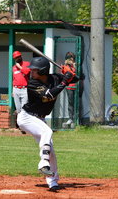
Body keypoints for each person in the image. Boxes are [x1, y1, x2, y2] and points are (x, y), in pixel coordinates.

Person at [17, 56, 77, 192]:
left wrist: (69, 72)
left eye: (34, 70)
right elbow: (49, 95)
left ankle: (53, 182)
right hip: (26, 117)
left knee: (51, 151)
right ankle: (43, 162)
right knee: (47, 132)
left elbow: (76, 79)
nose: (31, 72)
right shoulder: (32, 84)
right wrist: (65, 81)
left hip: (40, 119)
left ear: (43, 71)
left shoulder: (55, 78)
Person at [62, 52, 77, 125]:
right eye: (70, 59)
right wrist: (73, 68)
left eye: (72, 59)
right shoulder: (65, 67)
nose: (72, 61)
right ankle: (71, 118)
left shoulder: (75, 66)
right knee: (71, 103)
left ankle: (77, 119)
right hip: (70, 87)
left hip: (77, 87)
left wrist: (75, 67)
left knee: (77, 103)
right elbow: (70, 74)